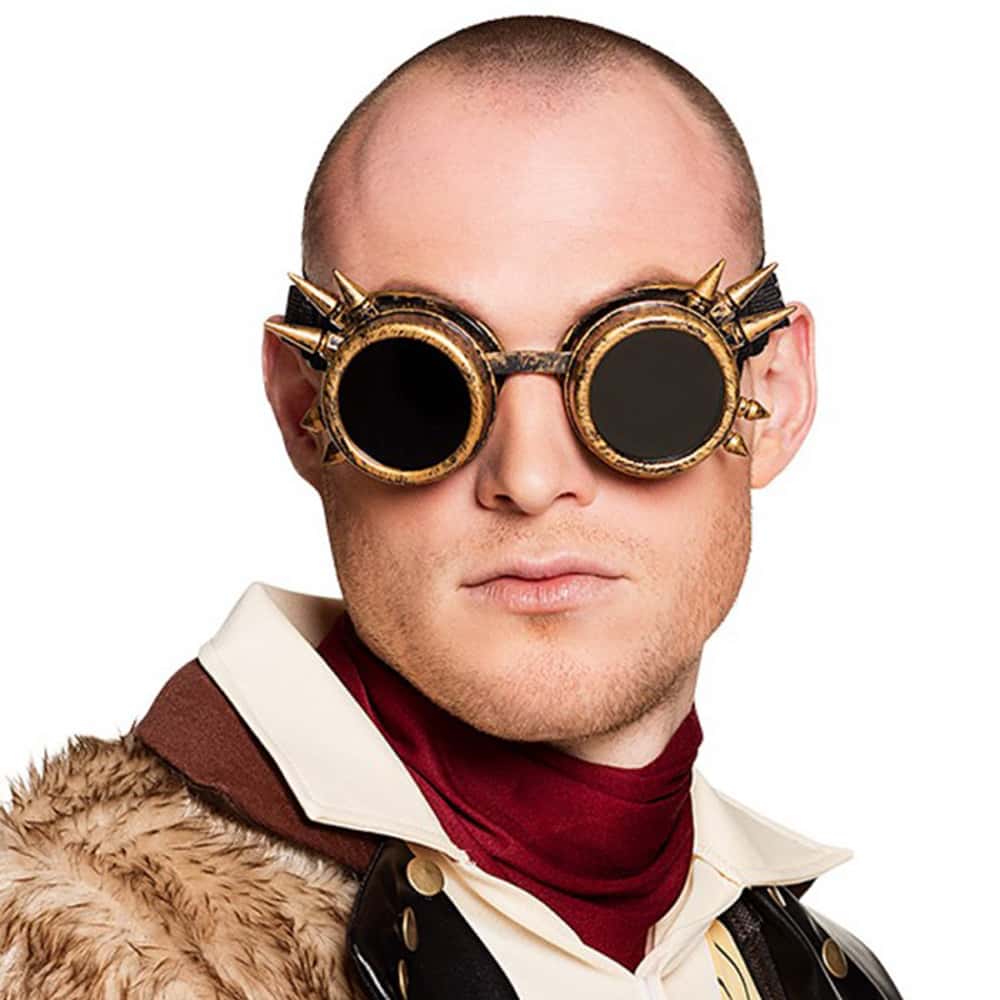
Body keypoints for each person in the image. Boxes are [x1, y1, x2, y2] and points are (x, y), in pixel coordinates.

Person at [0, 14, 903, 1000]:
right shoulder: (84, 950)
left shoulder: (819, 974)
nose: (529, 475)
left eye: (647, 372)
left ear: (772, 396)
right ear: (307, 411)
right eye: (418, 384)